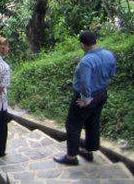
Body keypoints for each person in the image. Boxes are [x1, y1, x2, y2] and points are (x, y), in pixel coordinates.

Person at [54, 30, 117, 166]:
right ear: (95, 41)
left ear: (82, 45)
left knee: (72, 125)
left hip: (86, 97)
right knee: (92, 122)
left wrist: (86, 99)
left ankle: (71, 157)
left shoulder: (86, 61)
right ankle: (89, 151)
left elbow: (85, 83)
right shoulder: (108, 55)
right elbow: (111, 73)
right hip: (102, 93)